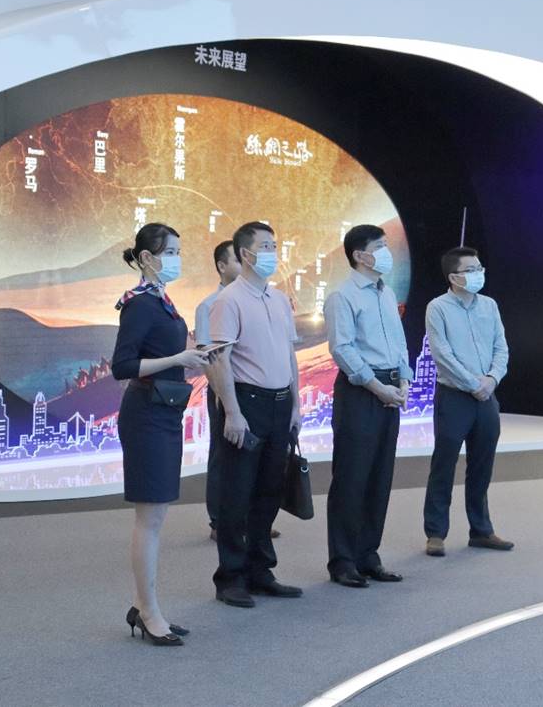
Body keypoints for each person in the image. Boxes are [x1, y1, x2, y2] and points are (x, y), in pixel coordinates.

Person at [111, 223, 212, 646]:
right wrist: (178, 358)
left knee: (156, 516)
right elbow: (122, 366)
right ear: (147, 258)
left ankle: (144, 605)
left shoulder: (161, 301)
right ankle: (149, 612)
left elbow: (162, 355)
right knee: (149, 519)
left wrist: (193, 356)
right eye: (170, 252)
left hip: (165, 412)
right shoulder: (139, 304)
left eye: (178, 251)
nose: (177, 259)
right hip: (147, 415)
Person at [206, 221, 303, 608]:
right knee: (237, 492)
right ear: (245, 254)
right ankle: (230, 577)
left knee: (268, 491)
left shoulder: (278, 299)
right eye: (266, 246)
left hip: (280, 404)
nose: (273, 253)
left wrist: (295, 404)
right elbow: (220, 359)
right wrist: (231, 412)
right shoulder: (229, 300)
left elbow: (289, 354)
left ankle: (261, 571)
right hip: (247, 403)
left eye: (275, 246)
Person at [323, 224, 411, 588]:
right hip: (361, 390)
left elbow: (399, 341)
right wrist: (377, 387)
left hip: (390, 387)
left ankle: (368, 554)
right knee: (352, 476)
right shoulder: (342, 296)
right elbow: (342, 349)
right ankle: (343, 560)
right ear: (360, 255)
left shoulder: (386, 293)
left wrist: (403, 381)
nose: (387, 252)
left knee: (379, 476)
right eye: (380, 247)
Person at [422, 247, 512, 557]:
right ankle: (436, 533)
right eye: (471, 270)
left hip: (487, 395)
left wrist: (492, 379)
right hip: (454, 396)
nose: (478, 274)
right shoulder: (438, 308)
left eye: (479, 268)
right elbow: (442, 355)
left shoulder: (489, 305)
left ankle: (481, 530)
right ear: (454, 277)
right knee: (444, 464)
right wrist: (474, 384)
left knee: (482, 465)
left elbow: (501, 347)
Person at [195, 240, 279, 542]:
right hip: (225, 390)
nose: (244, 265)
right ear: (221, 266)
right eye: (236, 260)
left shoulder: (264, 299)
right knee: (224, 455)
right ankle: (219, 521)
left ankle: (254, 519)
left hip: (257, 392)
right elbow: (210, 358)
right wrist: (222, 396)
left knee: (257, 456)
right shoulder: (209, 305)